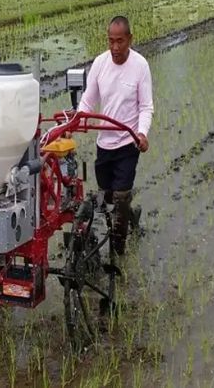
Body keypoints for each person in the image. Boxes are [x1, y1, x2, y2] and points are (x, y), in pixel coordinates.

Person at [77, 15, 153, 256]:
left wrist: (142, 133)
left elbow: (145, 106)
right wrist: (79, 118)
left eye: (120, 41)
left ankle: (117, 254)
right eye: (111, 41)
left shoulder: (140, 66)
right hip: (104, 144)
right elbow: (88, 100)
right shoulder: (100, 64)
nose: (115, 48)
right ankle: (132, 215)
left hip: (128, 144)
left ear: (130, 39)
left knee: (119, 198)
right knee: (108, 198)